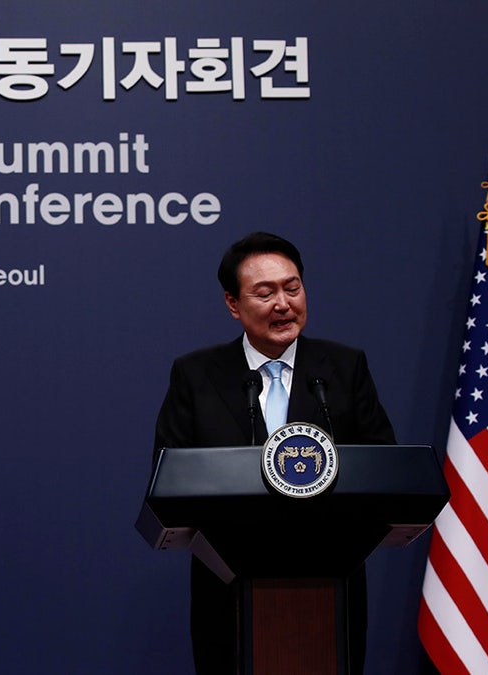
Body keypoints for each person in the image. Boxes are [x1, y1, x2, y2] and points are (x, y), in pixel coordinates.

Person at [153, 231, 395, 674]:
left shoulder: (343, 368)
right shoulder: (196, 374)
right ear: (233, 303)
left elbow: (383, 464)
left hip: (331, 582)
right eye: (265, 293)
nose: (283, 303)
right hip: (227, 589)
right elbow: (169, 476)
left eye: (293, 287)